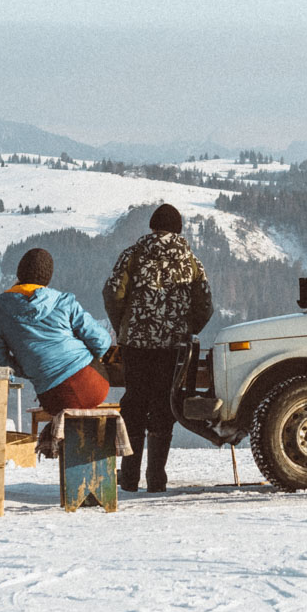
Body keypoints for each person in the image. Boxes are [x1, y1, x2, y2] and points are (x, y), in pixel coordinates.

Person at [103, 204, 213, 492]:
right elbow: (205, 304)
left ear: (152, 226)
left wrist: (123, 326)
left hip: (136, 345)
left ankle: (128, 478)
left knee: (134, 403)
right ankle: (156, 479)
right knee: (164, 406)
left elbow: (113, 293)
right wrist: (188, 329)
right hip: (172, 347)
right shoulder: (190, 261)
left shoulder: (133, 255)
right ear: (178, 229)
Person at [0, 247, 113, 457]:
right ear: (47, 277)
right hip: (93, 386)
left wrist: (28, 369)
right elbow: (101, 341)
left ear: (19, 274)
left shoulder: (0, 308)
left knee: (62, 398)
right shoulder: (63, 301)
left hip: (53, 397)